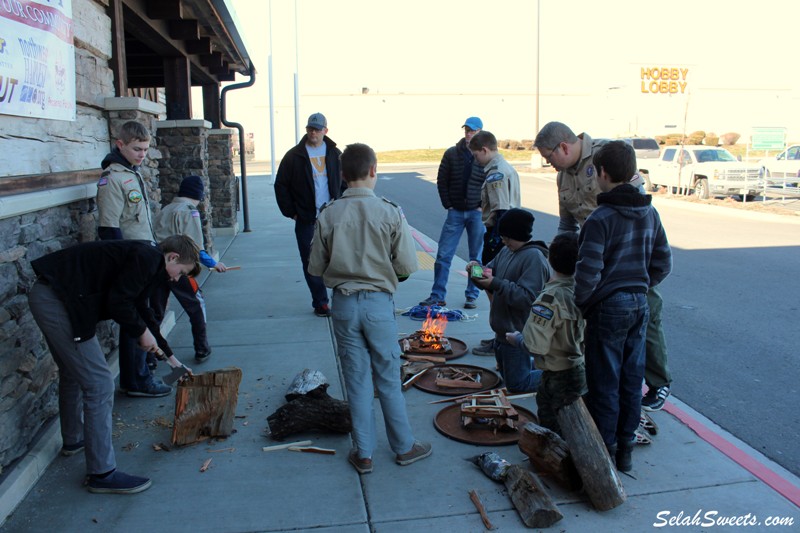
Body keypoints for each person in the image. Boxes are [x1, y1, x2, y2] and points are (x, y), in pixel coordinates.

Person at [27, 236, 200, 494]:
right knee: (99, 383)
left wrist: (172, 359)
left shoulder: (148, 262)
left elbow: (141, 309)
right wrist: (141, 333)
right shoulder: (148, 258)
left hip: (57, 297)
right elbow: (118, 302)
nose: (177, 279)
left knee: (74, 372)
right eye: (181, 272)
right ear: (173, 257)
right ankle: (102, 473)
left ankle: (74, 440)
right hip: (58, 301)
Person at [308, 143, 432, 474]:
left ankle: (363, 453)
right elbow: (406, 267)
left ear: (343, 175)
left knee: (357, 380)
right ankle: (404, 447)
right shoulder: (390, 212)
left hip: (344, 305)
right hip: (378, 305)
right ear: (374, 170)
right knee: (389, 378)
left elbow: (316, 268)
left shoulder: (328, 213)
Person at [534, 121, 673, 412]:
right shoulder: (563, 177)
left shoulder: (605, 154)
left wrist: (641, 277)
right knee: (593, 327)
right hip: (592, 255)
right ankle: (602, 391)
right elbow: (566, 224)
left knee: (646, 317)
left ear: (564, 147)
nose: (550, 164)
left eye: (550, 157)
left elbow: (636, 203)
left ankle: (658, 384)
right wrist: (561, 263)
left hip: (625, 255)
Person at [573, 141, 672, 472]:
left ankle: (604, 451)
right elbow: (662, 263)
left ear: (602, 173)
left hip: (608, 307)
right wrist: (641, 286)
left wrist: (584, 303)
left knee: (604, 382)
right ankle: (625, 450)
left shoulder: (600, 219)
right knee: (632, 381)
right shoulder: (650, 213)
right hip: (638, 304)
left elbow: (587, 273)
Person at [95, 120, 169, 397]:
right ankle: (136, 380)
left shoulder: (131, 173)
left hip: (143, 257)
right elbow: (109, 228)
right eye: (137, 149)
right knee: (134, 320)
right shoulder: (112, 179)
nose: (142, 154)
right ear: (120, 145)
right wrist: (122, 268)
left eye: (146, 149)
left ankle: (143, 367)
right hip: (129, 260)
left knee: (144, 315)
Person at [505, 233, 586, 436]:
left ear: (550, 260)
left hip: (558, 374)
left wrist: (517, 339)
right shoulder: (585, 292)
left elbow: (534, 345)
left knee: (553, 427)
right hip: (580, 369)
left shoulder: (549, 300)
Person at [466, 208, 549, 393]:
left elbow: (528, 298)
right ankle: (538, 366)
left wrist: (496, 283)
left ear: (518, 234)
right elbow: (489, 274)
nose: (503, 241)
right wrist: (476, 270)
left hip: (517, 332)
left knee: (517, 384)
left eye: (507, 237)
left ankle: (559, 377)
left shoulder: (534, 257)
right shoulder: (506, 251)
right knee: (510, 376)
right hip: (502, 330)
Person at [153, 175, 228, 363]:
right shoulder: (189, 211)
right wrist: (213, 263)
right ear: (199, 195)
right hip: (179, 267)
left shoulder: (164, 210)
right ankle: (201, 348)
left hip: (157, 265)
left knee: (155, 311)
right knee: (196, 305)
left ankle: (150, 356)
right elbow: (195, 246)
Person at [275, 112, 343, 317]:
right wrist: (292, 213)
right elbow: (281, 186)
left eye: (317, 129)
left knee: (339, 258)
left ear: (325, 131)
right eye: (310, 129)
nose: (313, 132)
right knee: (311, 262)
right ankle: (321, 302)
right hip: (306, 219)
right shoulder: (294, 155)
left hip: (332, 217)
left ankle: (341, 298)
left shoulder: (334, 153)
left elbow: (346, 180)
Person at [419, 116, 486, 309]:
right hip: (455, 212)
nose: (469, 133)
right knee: (443, 255)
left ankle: (472, 294)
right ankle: (437, 295)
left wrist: (482, 205)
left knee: (476, 257)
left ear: (480, 131)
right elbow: (442, 180)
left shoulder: (483, 155)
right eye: (467, 130)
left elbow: (490, 182)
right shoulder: (452, 154)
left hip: (476, 213)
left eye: (473, 130)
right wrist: (447, 203)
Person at [470, 131, 521, 266]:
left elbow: (501, 211)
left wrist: (494, 243)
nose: (476, 160)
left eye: (476, 155)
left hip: (499, 233)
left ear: (484, 150)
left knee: (492, 274)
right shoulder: (506, 167)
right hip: (511, 231)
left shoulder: (496, 174)